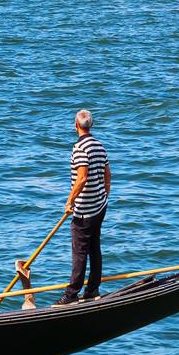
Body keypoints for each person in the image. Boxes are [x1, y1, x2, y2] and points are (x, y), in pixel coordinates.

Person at [62, 108, 112, 300]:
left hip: (85, 210)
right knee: (94, 246)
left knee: (80, 251)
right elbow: (107, 173)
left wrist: (70, 201)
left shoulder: (79, 148)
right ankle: (92, 289)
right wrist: (104, 191)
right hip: (100, 205)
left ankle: (72, 293)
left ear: (76, 126)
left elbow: (82, 178)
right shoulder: (99, 146)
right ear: (90, 125)